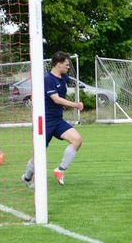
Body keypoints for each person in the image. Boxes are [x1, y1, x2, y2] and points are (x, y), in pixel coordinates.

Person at [22, 51, 84, 187]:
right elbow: (56, 99)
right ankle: (27, 178)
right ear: (58, 64)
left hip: (58, 120)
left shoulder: (63, 77)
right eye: (66, 65)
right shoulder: (48, 79)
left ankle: (60, 170)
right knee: (39, 154)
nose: (68, 67)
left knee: (77, 140)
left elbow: (74, 82)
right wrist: (76, 105)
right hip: (45, 122)